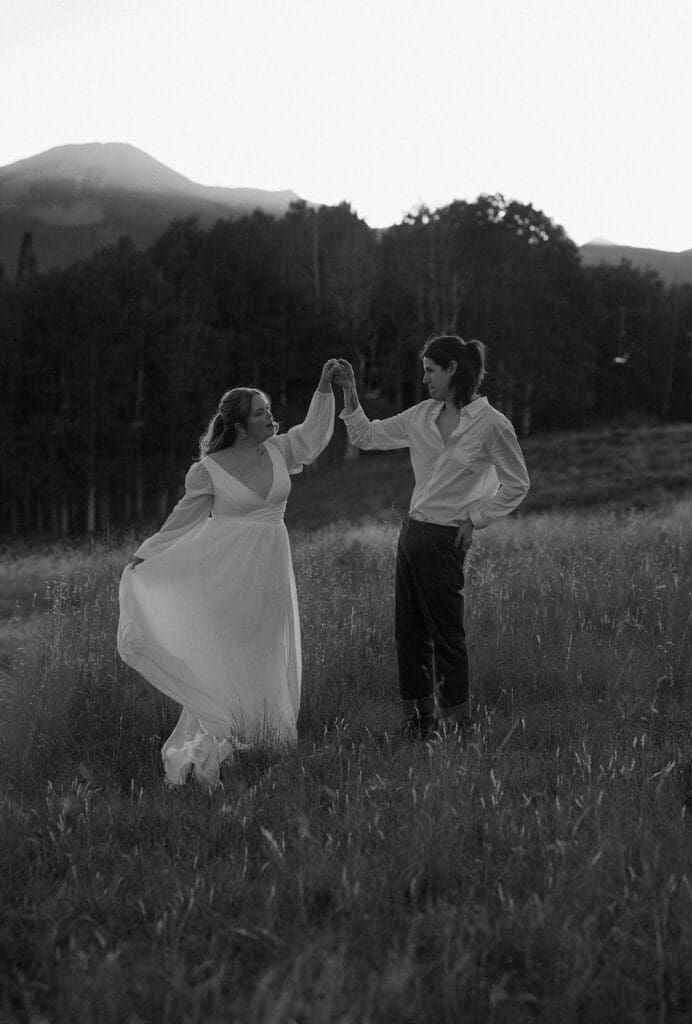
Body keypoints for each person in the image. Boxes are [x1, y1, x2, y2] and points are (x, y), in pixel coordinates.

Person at [117, 360, 340, 786]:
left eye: (268, 409)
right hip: (226, 571)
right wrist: (147, 554)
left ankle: (264, 736)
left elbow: (313, 435)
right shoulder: (210, 469)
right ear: (240, 426)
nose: (271, 417)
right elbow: (183, 518)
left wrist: (324, 388)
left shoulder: (281, 449)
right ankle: (226, 731)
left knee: (269, 648)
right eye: (261, 413)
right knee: (233, 650)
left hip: (272, 567)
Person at [334, 336, 529, 739]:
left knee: (447, 638)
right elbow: (366, 436)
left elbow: (517, 484)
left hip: (445, 540)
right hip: (411, 535)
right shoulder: (422, 415)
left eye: (430, 370)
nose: (424, 379)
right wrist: (351, 391)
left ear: (453, 369)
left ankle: (458, 727)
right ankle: (419, 723)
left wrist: (475, 519)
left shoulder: (491, 424)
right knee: (408, 634)